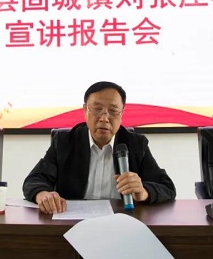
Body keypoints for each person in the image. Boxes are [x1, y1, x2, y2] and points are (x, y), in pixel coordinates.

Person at [23, 81, 176, 214]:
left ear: (121, 114)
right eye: (97, 109)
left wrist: (144, 192)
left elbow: (167, 187)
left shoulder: (135, 144)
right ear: (85, 110)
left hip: (121, 222)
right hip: (73, 222)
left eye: (113, 111)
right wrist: (42, 194)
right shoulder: (65, 142)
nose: (104, 118)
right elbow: (34, 180)